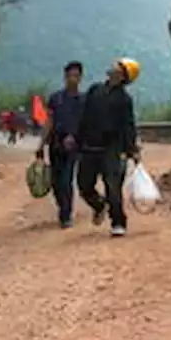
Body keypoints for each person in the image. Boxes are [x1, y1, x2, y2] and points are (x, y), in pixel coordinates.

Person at [75, 57, 141, 237]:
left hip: (112, 148)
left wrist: (131, 149)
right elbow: (84, 116)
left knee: (113, 187)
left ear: (122, 74)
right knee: (84, 185)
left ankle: (118, 222)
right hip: (90, 146)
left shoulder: (124, 99)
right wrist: (77, 139)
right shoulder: (95, 90)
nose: (112, 67)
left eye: (117, 66)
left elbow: (128, 125)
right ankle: (99, 204)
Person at [38, 62, 85, 228]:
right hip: (55, 145)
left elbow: (85, 124)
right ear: (65, 77)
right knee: (56, 181)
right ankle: (62, 205)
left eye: (76, 75)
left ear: (80, 78)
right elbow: (49, 121)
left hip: (73, 147)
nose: (73, 79)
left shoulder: (84, 100)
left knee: (66, 179)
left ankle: (66, 215)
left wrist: (75, 137)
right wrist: (41, 144)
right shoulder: (55, 98)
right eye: (70, 75)